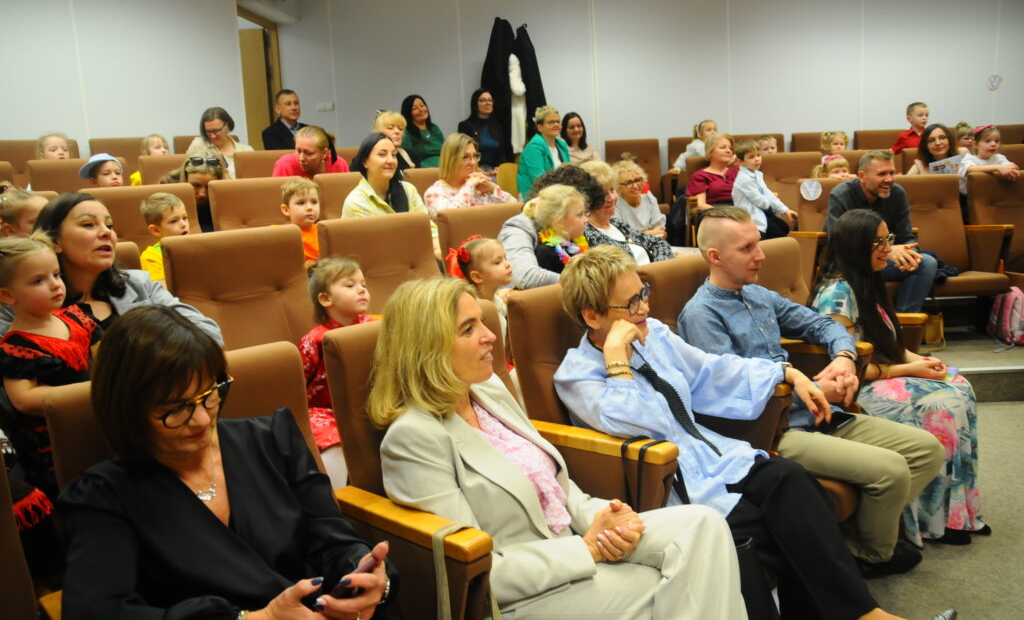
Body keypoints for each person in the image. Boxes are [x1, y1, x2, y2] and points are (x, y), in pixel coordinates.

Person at [553, 245, 952, 620]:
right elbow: (642, 425)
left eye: (643, 293)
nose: (644, 307)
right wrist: (616, 359)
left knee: (793, 480)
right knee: (775, 529)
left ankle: (860, 614)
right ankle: (862, 615)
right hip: (671, 484)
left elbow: (710, 370)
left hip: (715, 456)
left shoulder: (653, 334)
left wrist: (785, 372)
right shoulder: (576, 375)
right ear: (593, 316)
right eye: (631, 303)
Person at [372, 276, 746, 620]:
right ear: (427, 347)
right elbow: (475, 570)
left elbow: (557, 489)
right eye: (468, 329)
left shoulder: (487, 392)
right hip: (525, 593)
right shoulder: (413, 439)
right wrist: (587, 549)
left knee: (706, 525)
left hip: (574, 542)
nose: (490, 336)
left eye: (483, 322)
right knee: (683, 584)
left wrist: (606, 519)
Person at [59, 305, 396, 620]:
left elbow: (331, 536)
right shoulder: (105, 496)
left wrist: (363, 574)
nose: (202, 419)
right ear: (128, 411)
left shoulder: (272, 439)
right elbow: (96, 610)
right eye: (176, 408)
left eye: (209, 394)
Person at [677, 207, 945, 577]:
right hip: (771, 430)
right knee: (893, 471)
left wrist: (845, 358)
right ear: (715, 256)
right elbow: (733, 394)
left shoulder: (759, 295)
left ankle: (845, 541)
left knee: (928, 450)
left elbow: (823, 325)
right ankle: (869, 555)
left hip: (816, 411)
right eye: (747, 248)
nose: (761, 255)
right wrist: (818, 389)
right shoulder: (702, 315)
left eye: (758, 244)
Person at [810, 209, 987, 547]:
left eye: (888, 239)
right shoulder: (837, 296)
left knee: (959, 385)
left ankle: (957, 515)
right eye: (878, 242)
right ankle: (928, 522)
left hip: (883, 375)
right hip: (856, 390)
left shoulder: (868, 281)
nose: (887, 248)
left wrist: (924, 361)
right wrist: (909, 369)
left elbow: (887, 345)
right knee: (943, 404)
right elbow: (847, 370)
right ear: (856, 246)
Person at [29, 192, 222, 344]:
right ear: (55, 241)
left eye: (109, 225)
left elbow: (209, 332)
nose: (106, 232)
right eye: (88, 224)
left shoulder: (139, 284)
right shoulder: (29, 302)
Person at [0, 234, 100, 499]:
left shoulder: (77, 318)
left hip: (97, 418)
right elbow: (23, 399)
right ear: (7, 295)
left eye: (56, 274)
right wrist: (91, 391)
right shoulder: (15, 347)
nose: (56, 285)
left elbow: (107, 359)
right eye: (38, 281)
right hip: (57, 441)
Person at [824, 150, 937, 312]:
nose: (889, 179)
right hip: (851, 264)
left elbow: (907, 238)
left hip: (882, 261)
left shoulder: (897, 193)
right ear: (862, 176)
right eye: (882, 174)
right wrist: (886, 251)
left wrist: (908, 254)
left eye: (892, 173)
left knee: (925, 263)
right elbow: (839, 243)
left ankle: (904, 320)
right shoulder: (841, 194)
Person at [300, 256, 373, 489]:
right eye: (350, 285)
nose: (361, 290)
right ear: (325, 299)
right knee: (329, 438)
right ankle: (338, 497)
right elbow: (299, 385)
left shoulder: (373, 326)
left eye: (363, 284)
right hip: (325, 410)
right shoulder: (314, 340)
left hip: (370, 402)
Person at [498, 165, 605, 289]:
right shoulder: (519, 227)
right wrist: (587, 282)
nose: (586, 219)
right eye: (581, 213)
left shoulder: (570, 231)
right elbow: (526, 277)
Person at [342, 133, 441, 261]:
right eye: (382, 154)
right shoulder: (356, 202)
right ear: (365, 162)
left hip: (417, 259)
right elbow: (375, 247)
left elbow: (428, 230)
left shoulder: (408, 190)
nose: (391, 160)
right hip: (379, 264)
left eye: (394, 155)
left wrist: (439, 250)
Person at [580, 160, 672, 265]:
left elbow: (658, 243)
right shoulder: (588, 233)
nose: (612, 198)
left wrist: (658, 268)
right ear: (588, 198)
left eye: (612, 190)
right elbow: (621, 268)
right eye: (603, 194)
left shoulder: (616, 224)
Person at [423, 133, 515, 220]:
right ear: (451, 160)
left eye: (475, 156)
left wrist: (492, 189)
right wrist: (469, 185)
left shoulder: (481, 186)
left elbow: (516, 209)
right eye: (466, 157)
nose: (473, 163)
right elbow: (451, 219)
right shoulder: (434, 193)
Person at [445, 235, 513, 351]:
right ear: (477, 277)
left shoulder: (497, 301)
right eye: (497, 262)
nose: (507, 264)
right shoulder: (471, 310)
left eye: (505, 258)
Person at [730, 140, 795, 239]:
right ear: (741, 161)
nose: (757, 159)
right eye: (751, 157)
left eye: (758, 155)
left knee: (782, 229)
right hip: (752, 220)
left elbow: (767, 194)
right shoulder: (744, 179)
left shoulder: (757, 174)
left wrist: (786, 210)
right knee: (777, 233)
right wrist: (770, 199)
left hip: (763, 214)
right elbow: (761, 202)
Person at [527, 184, 589, 274]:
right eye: (580, 215)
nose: (586, 220)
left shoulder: (577, 240)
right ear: (559, 222)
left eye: (585, 213)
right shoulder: (545, 253)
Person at [139, 192, 190, 288]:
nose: (184, 224)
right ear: (156, 230)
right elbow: (162, 292)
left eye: (185, 218)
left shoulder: (198, 246)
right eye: (174, 221)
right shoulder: (151, 257)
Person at [186, 106, 253, 179]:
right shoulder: (198, 144)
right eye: (208, 132)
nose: (213, 136)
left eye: (217, 131)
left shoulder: (246, 150)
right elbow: (186, 173)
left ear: (227, 125)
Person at [517, 105, 569, 196]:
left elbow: (570, 173)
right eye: (551, 122)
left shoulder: (562, 145)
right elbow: (540, 181)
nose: (556, 124)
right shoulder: (533, 147)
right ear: (540, 127)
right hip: (535, 195)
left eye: (558, 121)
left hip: (559, 193)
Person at [164, 155, 225, 232]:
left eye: (208, 187)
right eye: (196, 185)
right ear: (185, 179)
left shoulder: (225, 199)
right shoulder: (167, 196)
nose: (202, 194)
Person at [456, 88, 507, 174]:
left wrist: (499, 168)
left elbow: (502, 155)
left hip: (494, 171)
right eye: (483, 100)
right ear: (475, 104)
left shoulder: (497, 127)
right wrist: (476, 168)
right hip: (474, 169)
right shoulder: (465, 126)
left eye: (490, 100)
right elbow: (462, 154)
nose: (488, 103)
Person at [958, 125, 1020, 196]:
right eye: (987, 141)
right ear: (975, 144)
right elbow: (971, 169)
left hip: (993, 194)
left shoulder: (999, 157)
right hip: (969, 196)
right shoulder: (969, 158)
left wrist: (1010, 167)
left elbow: (1008, 167)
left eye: (997, 141)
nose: (993, 144)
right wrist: (998, 168)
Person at [686, 133, 738, 212]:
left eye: (730, 148)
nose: (729, 151)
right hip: (713, 212)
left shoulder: (738, 172)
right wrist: (724, 213)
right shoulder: (700, 176)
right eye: (723, 147)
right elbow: (700, 204)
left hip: (740, 210)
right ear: (710, 152)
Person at [613, 158, 666, 238]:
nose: (635, 186)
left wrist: (636, 235)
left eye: (637, 180)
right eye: (628, 183)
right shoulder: (615, 205)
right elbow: (621, 237)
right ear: (618, 187)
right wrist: (651, 233)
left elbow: (661, 232)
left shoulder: (650, 200)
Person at [272, 125, 349, 178]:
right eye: (298, 151)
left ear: (324, 153)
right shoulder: (285, 165)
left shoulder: (339, 164)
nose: (301, 158)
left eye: (308, 153)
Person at [279, 177, 321, 268]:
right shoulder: (280, 234)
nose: (310, 207)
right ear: (286, 210)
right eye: (301, 203)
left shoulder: (324, 231)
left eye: (314, 202)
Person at [399, 94, 443, 167]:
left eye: (422, 106)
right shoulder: (406, 133)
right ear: (408, 113)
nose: (421, 110)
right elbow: (408, 159)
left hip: (445, 168)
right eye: (415, 108)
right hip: (423, 170)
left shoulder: (434, 128)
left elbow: (447, 150)